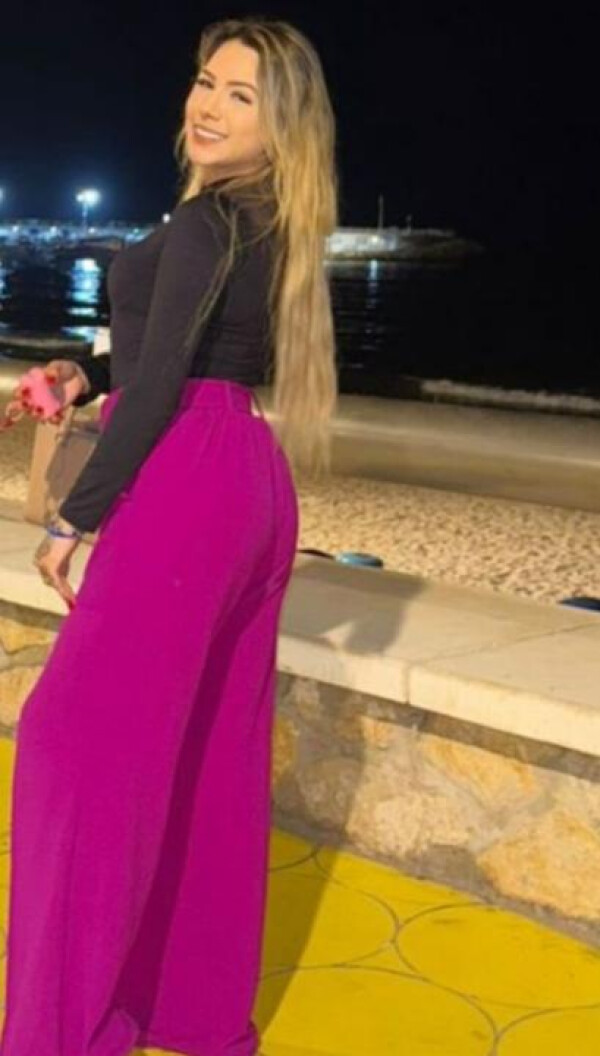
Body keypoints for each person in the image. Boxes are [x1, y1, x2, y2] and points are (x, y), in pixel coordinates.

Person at [0, 16, 338, 1056]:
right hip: (249, 480)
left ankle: (59, 1033)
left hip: (188, 478)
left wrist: (75, 516)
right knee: (204, 760)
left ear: (282, 124)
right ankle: (187, 1007)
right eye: (205, 80)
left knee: (69, 754)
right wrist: (82, 374)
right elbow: (175, 358)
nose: (208, 104)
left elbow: (160, 390)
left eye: (241, 94)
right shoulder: (267, 219)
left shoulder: (209, 221)